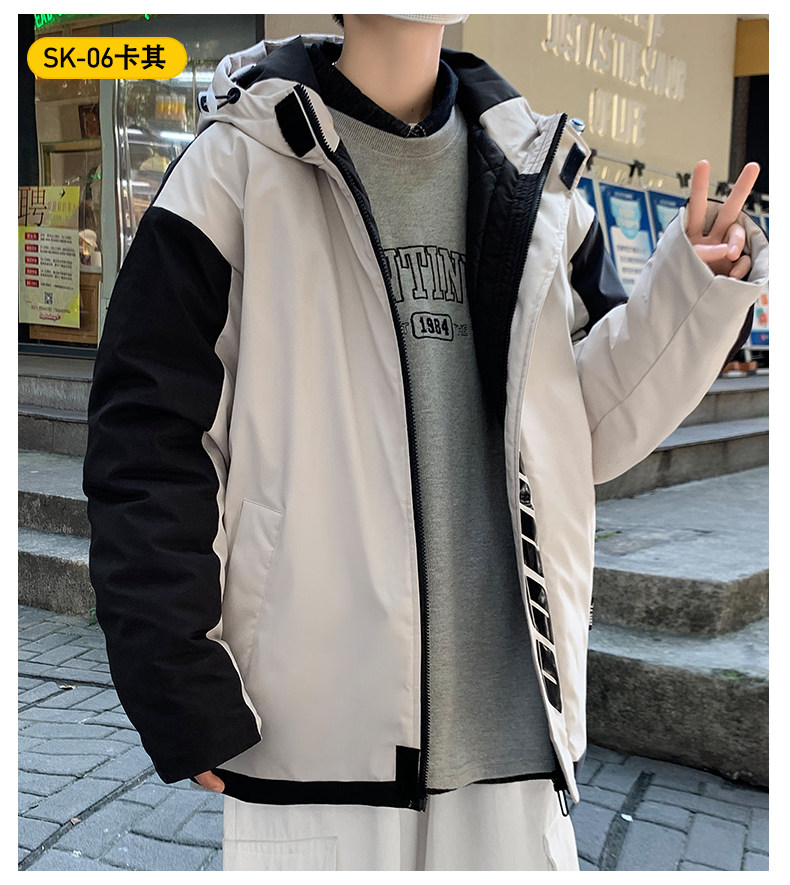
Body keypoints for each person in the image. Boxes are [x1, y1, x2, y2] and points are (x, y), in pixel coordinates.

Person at [82, 13, 769, 871]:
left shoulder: (538, 180)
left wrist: (690, 297)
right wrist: (175, 677)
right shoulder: (238, 164)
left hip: (514, 723)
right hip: (319, 729)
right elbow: (148, 441)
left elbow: (575, 433)